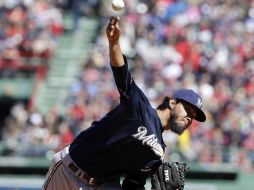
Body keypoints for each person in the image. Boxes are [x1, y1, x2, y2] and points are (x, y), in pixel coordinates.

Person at [42, 17, 206, 190]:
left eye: (193, 117)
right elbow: (122, 74)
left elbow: (132, 185)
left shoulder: (157, 155)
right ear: (172, 102)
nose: (189, 118)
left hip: (103, 186)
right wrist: (114, 43)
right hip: (70, 171)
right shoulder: (140, 107)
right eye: (188, 110)